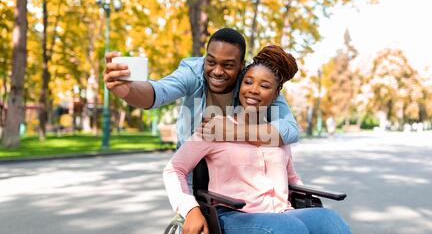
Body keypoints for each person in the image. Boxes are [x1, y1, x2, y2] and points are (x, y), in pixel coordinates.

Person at [163, 45, 357, 234]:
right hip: (233, 221)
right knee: (289, 231)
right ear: (239, 86)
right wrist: (190, 208)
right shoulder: (214, 127)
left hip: (283, 215)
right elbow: (174, 169)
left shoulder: (277, 135)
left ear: (276, 95)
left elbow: (292, 179)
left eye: (264, 86)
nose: (253, 90)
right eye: (248, 82)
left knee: (331, 222)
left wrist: (306, 202)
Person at [103, 28, 299, 148]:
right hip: (194, 172)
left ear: (241, 66)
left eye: (228, 65)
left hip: (237, 179)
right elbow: (158, 93)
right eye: (211, 61)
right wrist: (127, 91)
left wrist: (234, 131)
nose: (217, 71)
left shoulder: (251, 83)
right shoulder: (193, 72)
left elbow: (290, 129)